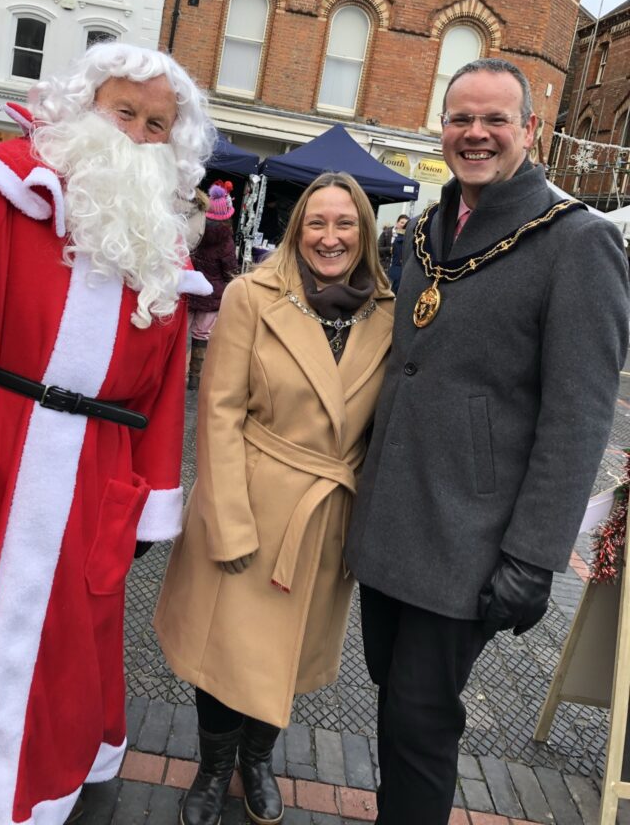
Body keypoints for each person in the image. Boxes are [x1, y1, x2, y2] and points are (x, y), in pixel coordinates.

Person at [0, 43, 215, 825]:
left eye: (158, 124)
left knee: (62, 649)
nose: (138, 136)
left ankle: (33, 797)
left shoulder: (164, 252)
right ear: (83, 109)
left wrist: (152, 502)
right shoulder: (5, 186)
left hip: (94, 479)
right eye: (124, 112)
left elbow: (161, 400)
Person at [345, 57, 629, 825]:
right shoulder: (432, 227)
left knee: (420, 721)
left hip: (470, 542)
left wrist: (534, 559)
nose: (475, 134)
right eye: (460, 118)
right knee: (392, 700)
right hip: (390, 526)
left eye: (495, 119)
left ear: (530, 130)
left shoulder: (580, 244)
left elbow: (578, 418)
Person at [154, 171, 395, 825]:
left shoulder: (389, 313)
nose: (330, 236)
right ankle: (212, 768)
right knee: (224, 649)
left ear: (365, 233)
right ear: (297, 229)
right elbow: (220, 411)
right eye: (317, 222)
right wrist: (227, 521)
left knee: (278, 659)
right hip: (251, 498)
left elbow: (383, 431)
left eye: (345, 224)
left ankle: (257, 759)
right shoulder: (252, 297)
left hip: (324, 518)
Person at [187, 181, 239, 390]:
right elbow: (230, 269)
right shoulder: (226, 240)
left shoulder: (194, 230)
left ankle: (169, 373)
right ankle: (194, 378)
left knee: (181, 333)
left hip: (190, 291)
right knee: (201, 335)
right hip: (212, 296)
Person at [386, 214, 410, 293]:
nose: (403, 225)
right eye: (402, 222)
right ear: (397, 223)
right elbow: (378, 247)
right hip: (386, 266)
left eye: (405, 224)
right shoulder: (388, 233)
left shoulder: (405, 237)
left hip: (397, 268)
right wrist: (390, 249)